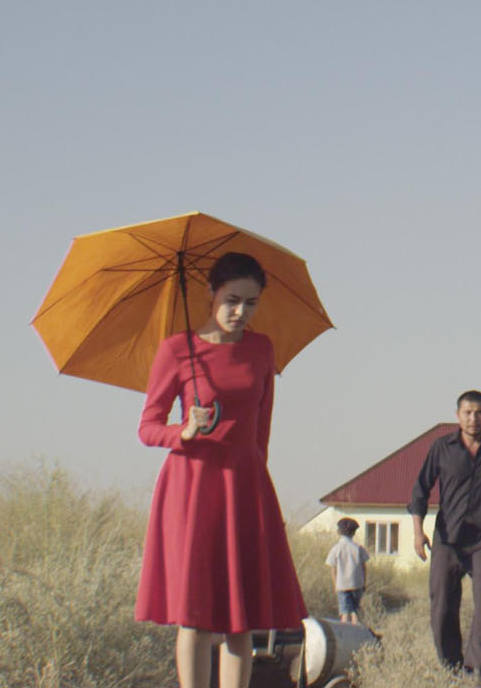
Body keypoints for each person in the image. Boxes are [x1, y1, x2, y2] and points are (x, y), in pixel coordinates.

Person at [136, 252, 307, 688]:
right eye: (232, 300)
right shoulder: (177, 350)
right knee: (194, 617)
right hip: (191, 487)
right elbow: (147, 427)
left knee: (240, 618)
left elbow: (262, 428)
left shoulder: (262, 348)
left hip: (245, 485)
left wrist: (258, 493)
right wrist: (184, 431)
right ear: (211, 293)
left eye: (251, 303)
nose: (240, 312)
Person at [408, 390, 481, 684]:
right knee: (441, 606)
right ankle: (451, 668)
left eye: (480, 413)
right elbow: (420, 490)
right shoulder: (441, 448)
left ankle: (477, 673)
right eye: (468, 413)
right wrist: (417, 532)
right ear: (457, 415)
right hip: (447, 539)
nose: (474, 418)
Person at [325, 517, 371, 625]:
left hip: (342, 585)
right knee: (355, 612)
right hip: (357, 584)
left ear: (339, 532)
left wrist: (335, 585)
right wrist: (364, 583)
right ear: (354, 533)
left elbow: (333, 569)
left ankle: (344, 632)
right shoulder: (358, 548)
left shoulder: (336, 549)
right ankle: (356, 632)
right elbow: (364, 567)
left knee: (344, 613)